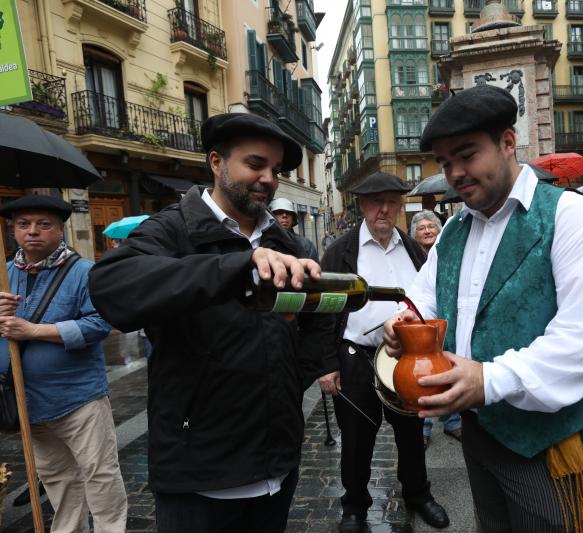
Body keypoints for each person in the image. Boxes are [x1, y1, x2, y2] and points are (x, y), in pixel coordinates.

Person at [383, 84, 583, 532]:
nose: (455, 172)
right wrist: (404, 323)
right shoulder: (454, 230)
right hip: (481, 434)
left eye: (467, 154)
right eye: (445, 162)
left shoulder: (571, 217)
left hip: (550, 440)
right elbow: (424, 298)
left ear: (508, 142)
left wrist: (489, 379)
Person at [88, 113, 335, 533]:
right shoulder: (171, 229)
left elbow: (322, 320)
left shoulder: (286, 240)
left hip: (277, 464)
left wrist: (291, 381)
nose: (268, 178)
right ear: (216, 162)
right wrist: (236, 266)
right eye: (255, 164)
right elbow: (112, 287)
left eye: (276, 170)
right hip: (199, 475)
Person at [318, 173, 450, 533]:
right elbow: (322, 313)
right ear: (362, 205)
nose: (385, 209)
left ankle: (418, 495)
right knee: (357, 438)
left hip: (403, 358)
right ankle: (355, 507)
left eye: (392, 202)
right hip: (355, 356)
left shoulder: (411, 248)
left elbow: (428, 300)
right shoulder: (340, 251)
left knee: (411, 431)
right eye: (377, 202)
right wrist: (327, 366)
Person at [0, 195, 127, 533]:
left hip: (78, 398)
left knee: (100, 474)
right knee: (56, 478)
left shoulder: (85, 272)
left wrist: (34, 330)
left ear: (60, 230)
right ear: (13, 230)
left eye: (44, 225)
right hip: (29, 401)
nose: (32, 232)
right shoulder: (4, 273)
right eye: (23, 224)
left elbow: (99, 323)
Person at [409, 210, 462, 447]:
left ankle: (453, 420)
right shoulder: (412, 256)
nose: (428, 231)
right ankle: (425, 425)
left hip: (449, 321)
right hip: (424, 321)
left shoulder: (450, 249)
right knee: (425, 370)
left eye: (432, 226)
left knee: (451, 364)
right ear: (414, 234)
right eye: (422, 228)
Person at [269, 197, 319, 261]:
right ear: (272, 217)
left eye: (288, 212)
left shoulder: (306, 244)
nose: (284, 215)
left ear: (293, 219)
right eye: (279, 212)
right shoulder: (264, 242)